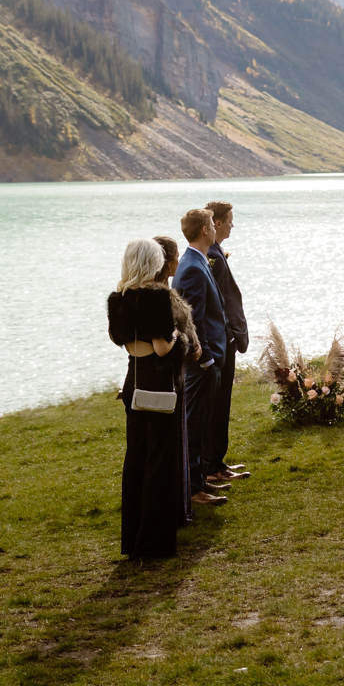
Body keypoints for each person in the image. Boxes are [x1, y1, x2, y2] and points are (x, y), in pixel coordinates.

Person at [106, 238, 201, 559]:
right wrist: (181, 337)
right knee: (161, 461)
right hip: (159, 383)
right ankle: (155, 542)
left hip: (133, 380)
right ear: (152, 263)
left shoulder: (118, 299)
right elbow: (163, 347)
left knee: (136, 460)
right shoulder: (157, 298)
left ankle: (132, 539)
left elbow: (122, 341)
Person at [175, 208, 232, 505]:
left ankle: (199, 482)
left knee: (201, 421)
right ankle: (194, 487)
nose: (215, 228)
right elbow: (192, 319)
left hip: (211, 357)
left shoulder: (197, 261)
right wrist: (206, 358)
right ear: (204, 230)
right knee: (195, 424)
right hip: (202, 362)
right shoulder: (194, 266)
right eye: (211, 224)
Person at [203, 200, 251, 486]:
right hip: (221, 339)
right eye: (230, 220)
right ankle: (210, 466)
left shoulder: (216, 252)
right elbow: (216, 301)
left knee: (223, 403)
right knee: (216, 404)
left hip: (225, 338)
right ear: (217, 223)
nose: (233, 225)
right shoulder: (211, 256)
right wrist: (229, 333)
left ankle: (218, 462)